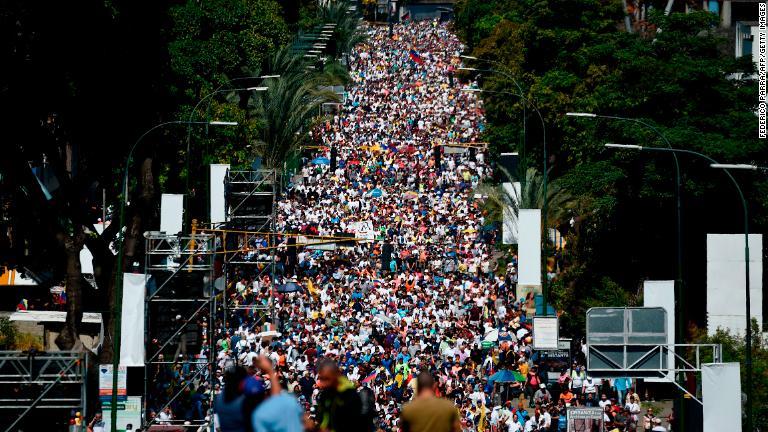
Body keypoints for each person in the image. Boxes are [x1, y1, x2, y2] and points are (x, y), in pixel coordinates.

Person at [313, 358, 364, 432]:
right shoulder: (325, 393)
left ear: (335, 375)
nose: (323, 384)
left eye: (327, 379)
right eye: (321, 379)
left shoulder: (349, 394)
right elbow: (324, 418)